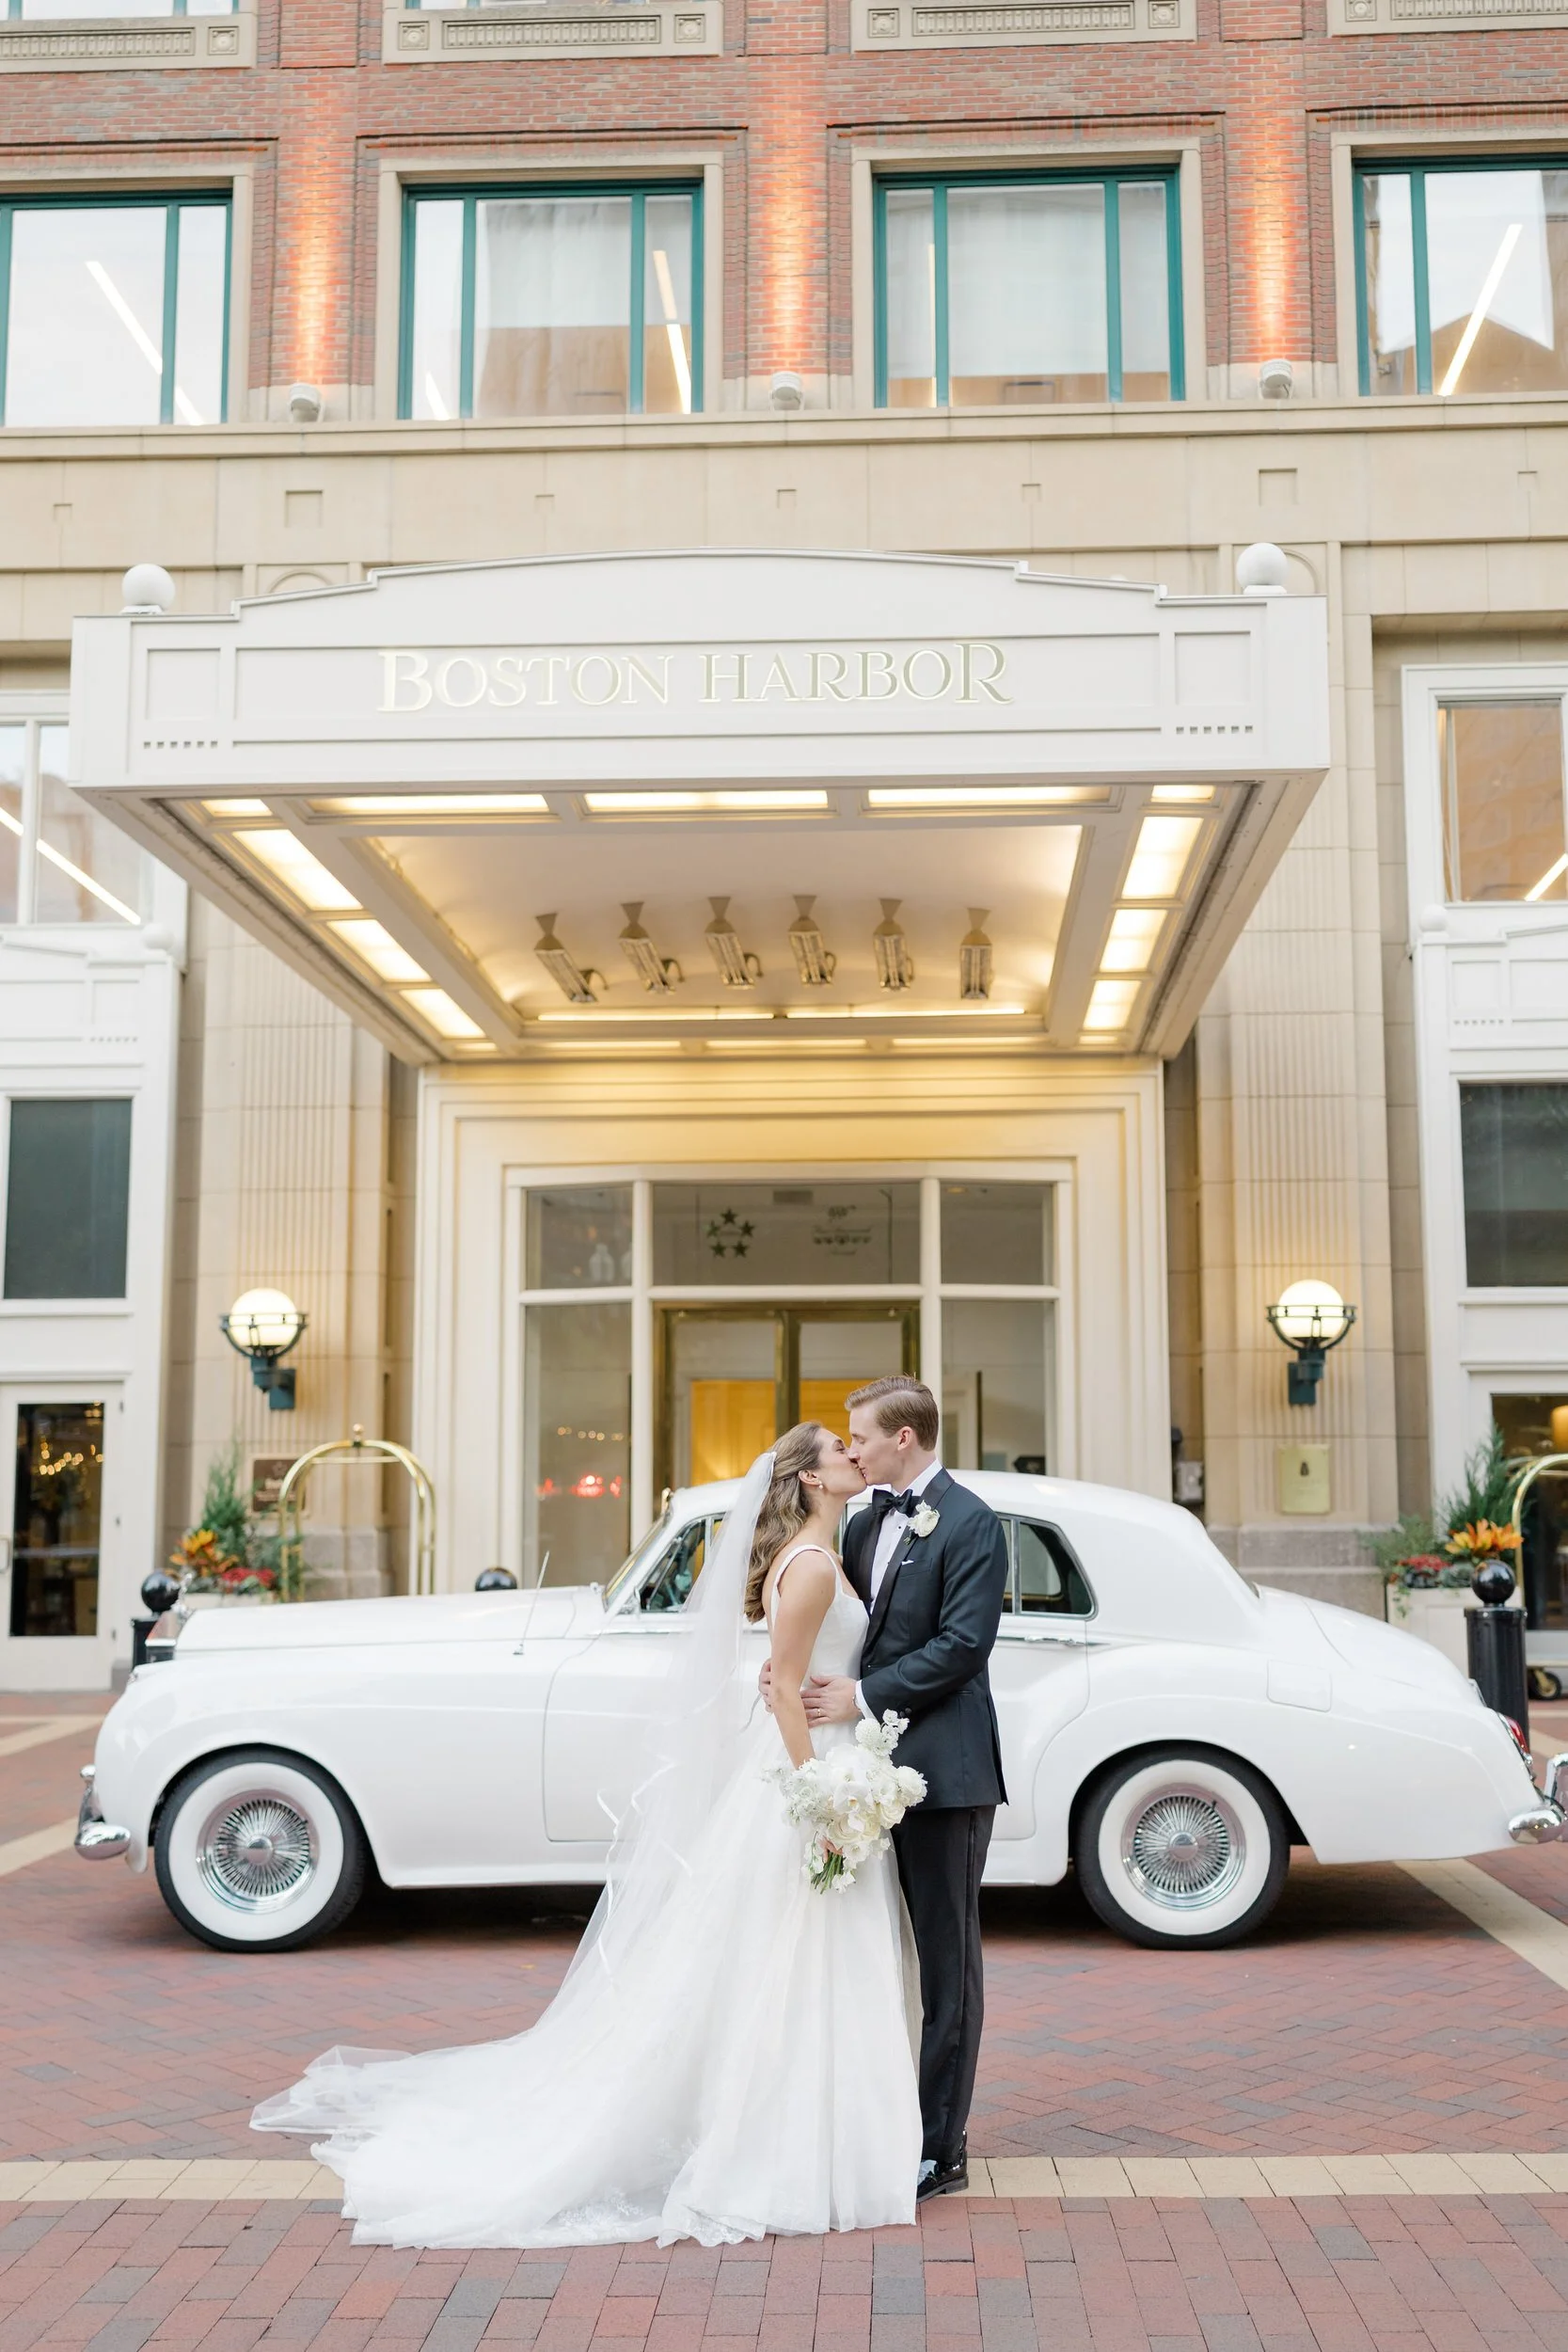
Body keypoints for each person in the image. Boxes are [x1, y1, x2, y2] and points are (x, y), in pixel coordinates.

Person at [251, 1424, 923, 2249]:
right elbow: (783, 1686)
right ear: (813, 1481)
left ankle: (804, 2126)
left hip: (809, 1763)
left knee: (776, 1957)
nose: (854, 1456)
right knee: (789, 1956)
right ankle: (789, 2138)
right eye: (838, 1451)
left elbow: (786, 1673)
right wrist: (817, 1794)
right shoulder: (815, 1565)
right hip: (806, 1772)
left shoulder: (825, 1550)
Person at [765, 1377, 1008, 2201]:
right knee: (871, 1954)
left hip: (945, 1776)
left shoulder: (972, 1522)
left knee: (947, 1962)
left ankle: (942, 2145)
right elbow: (844, 1627)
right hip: (864, 1776)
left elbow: (963, 1645)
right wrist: (790, 1672)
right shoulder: (860, 1522)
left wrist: (861, 1696)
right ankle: (872, 2118)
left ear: (901, 1439)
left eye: (859, 1434)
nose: (851, 1445)